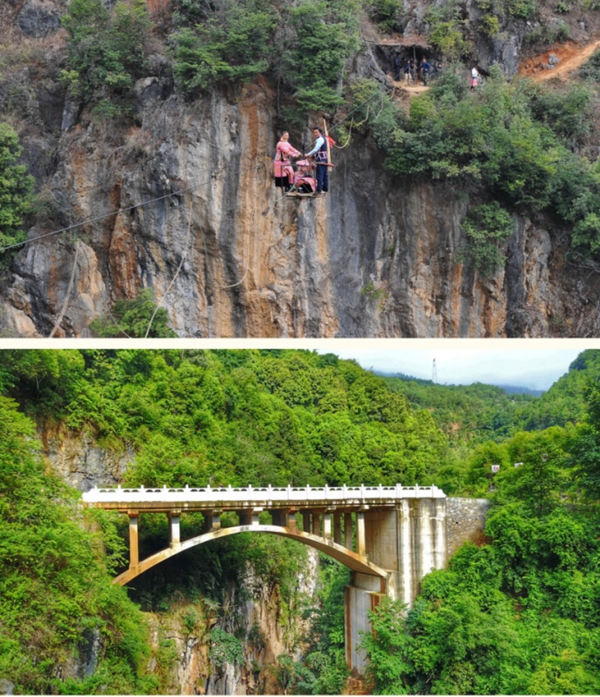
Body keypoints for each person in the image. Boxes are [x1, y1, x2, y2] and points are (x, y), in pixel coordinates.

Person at [304, 127, 329, 195]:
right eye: (314, 132)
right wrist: (313, 156)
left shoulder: (320, 139)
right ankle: (325, 188)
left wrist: (308, 154)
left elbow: (316, 149)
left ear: (320, 132)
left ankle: (318, 190)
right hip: (324, 159)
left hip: (321, 160)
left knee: (320, 175)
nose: (315, 134)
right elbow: (319, 150)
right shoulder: (323, 138)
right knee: (324, 175)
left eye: (316, 132)